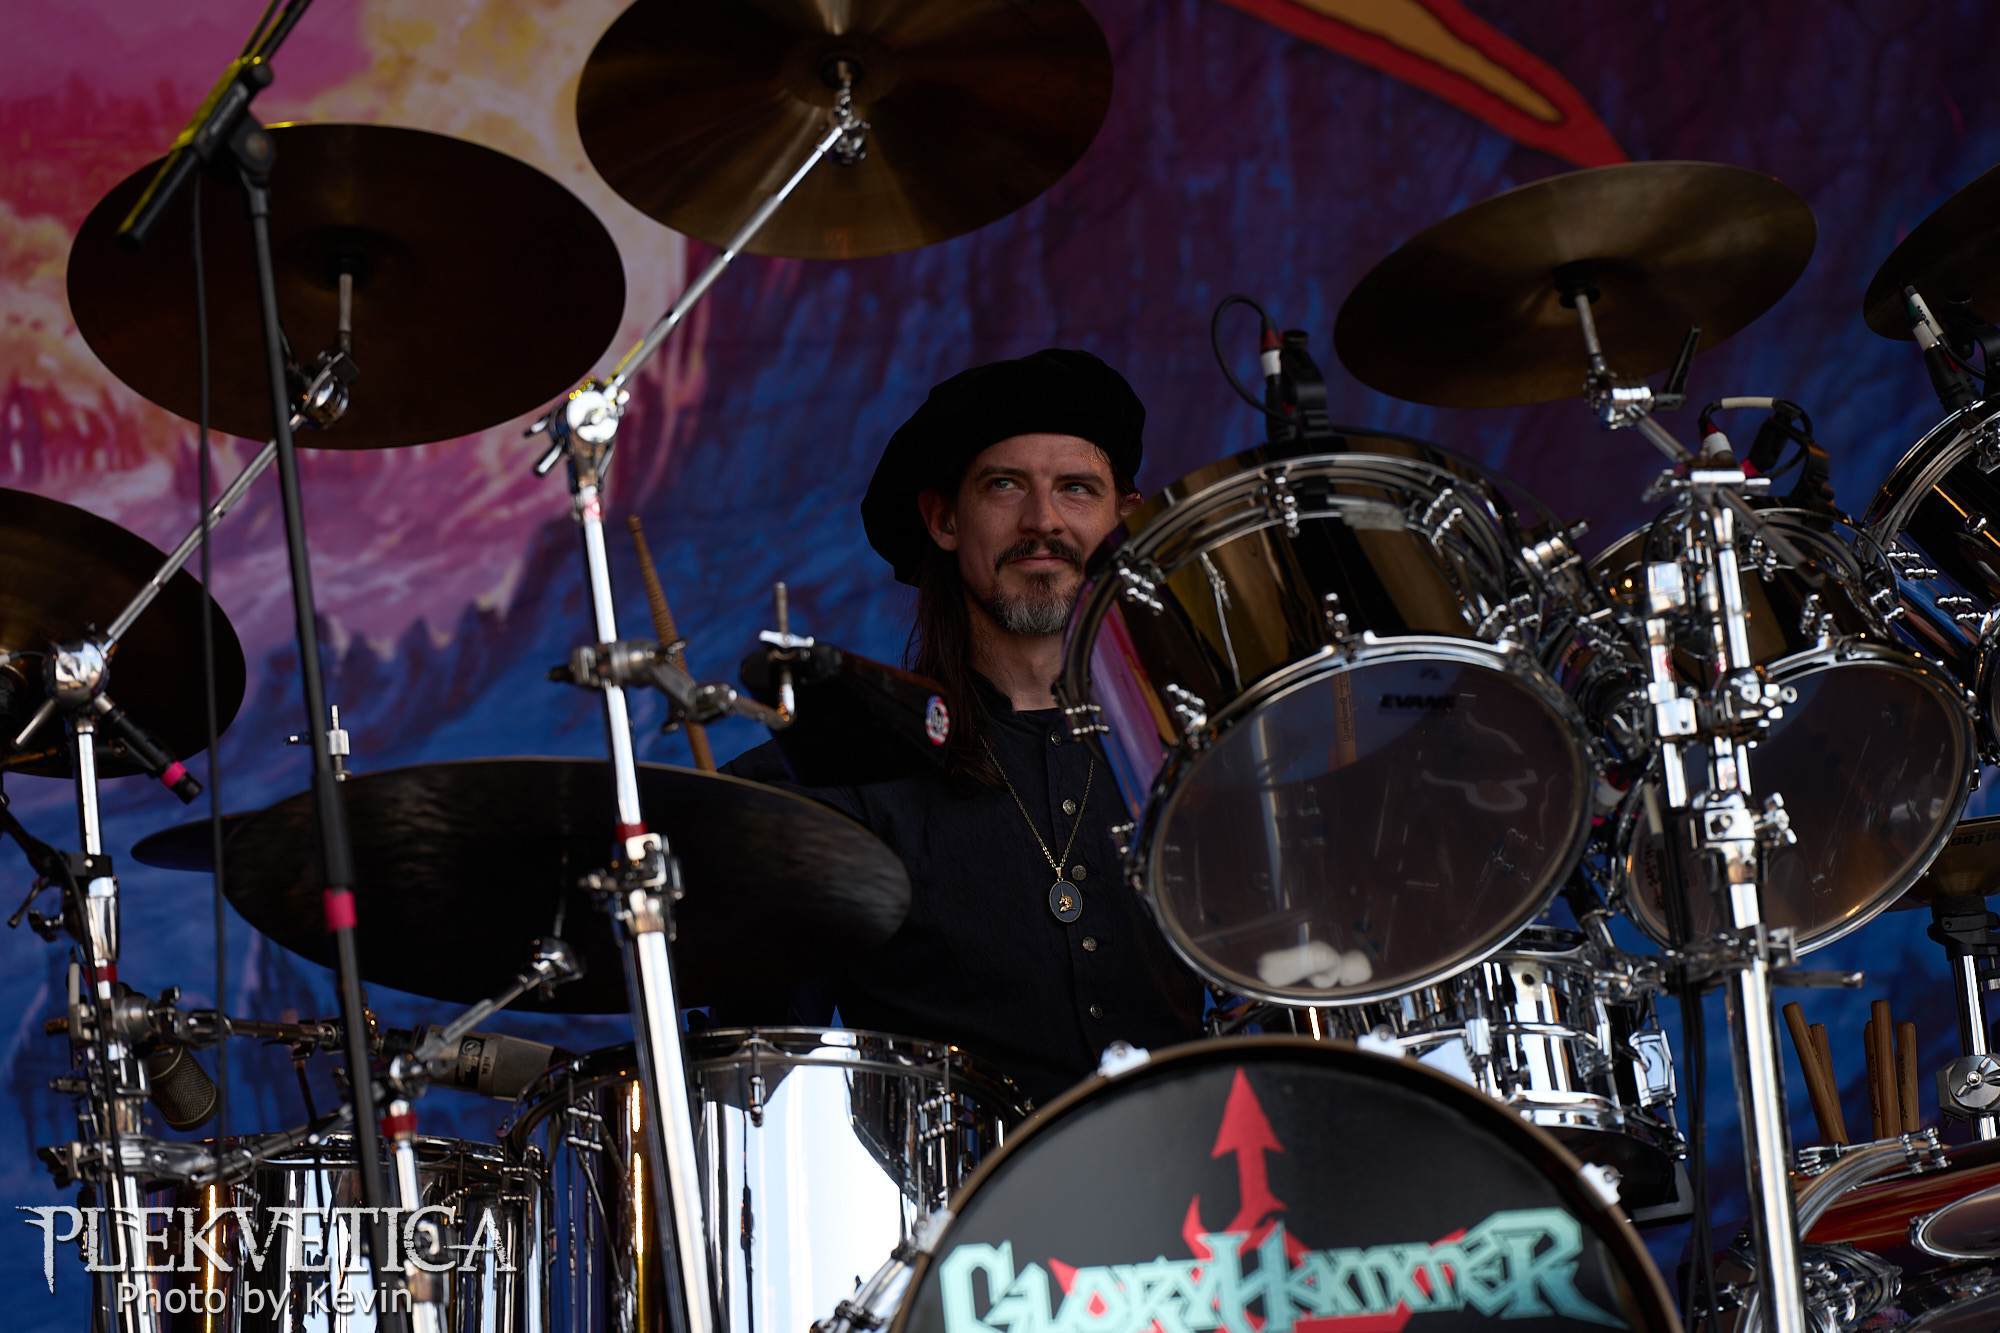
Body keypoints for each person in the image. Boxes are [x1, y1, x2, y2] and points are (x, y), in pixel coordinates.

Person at [723, 348, 1205, 1106]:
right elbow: (754, 1084)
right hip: (953, 1182)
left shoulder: (1195, 756)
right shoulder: (831, 777)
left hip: (1204, 1169)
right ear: (945, 519)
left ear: (1123, 520)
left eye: (1077, 488)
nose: (1043, 520)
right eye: (1005, 485)